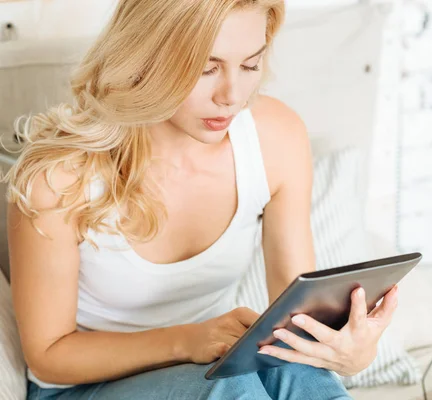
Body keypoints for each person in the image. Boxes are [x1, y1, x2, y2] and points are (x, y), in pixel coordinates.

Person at [3, 0, 399, 399]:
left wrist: (350, 353)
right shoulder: (58, 177)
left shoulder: (275, 139)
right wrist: (187, 341)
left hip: (213, 364)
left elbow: (293, 319)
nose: (232, 95)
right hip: (83, 386)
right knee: (233, 389)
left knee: (302, 377)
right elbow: (48, 355)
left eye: (249, 65)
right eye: (206, 68)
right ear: (145, 57)